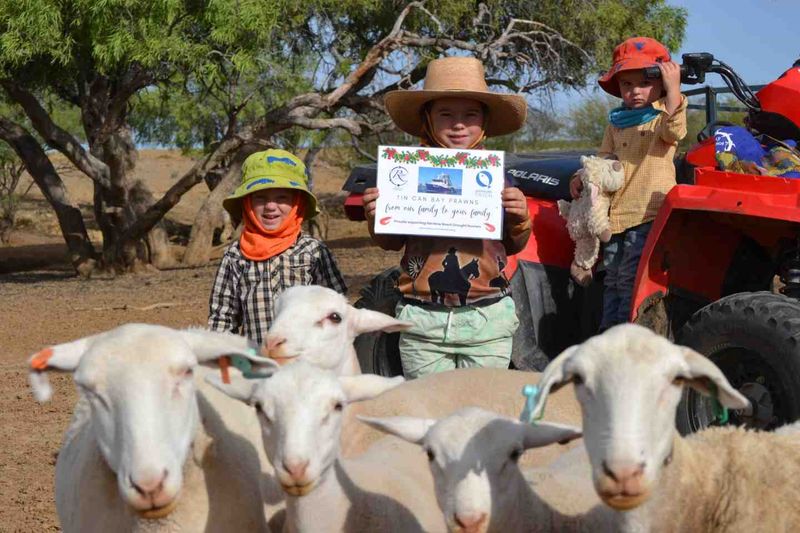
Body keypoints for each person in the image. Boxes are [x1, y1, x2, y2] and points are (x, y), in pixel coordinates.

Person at [362, 56, 532, 378]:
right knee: (429, 413)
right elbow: (389, 241)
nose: (458, 125)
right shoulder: (404, 173)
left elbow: (513, 244)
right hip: (421, 319)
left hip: (488, 318)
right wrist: (376, 215)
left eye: (470, 115)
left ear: (484, 123)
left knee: (482, 413)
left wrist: (520, 216)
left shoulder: (498, 178)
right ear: (427, 118)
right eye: (446, 114)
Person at [570, 37, 687, 330]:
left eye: (643, 83)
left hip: (647, 213)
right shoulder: (616, 122)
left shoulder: (661, 118)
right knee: (612, 278)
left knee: (630, 278)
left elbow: (676, 131)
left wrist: (675, 90)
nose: (634, 91)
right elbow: (603, 159)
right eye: (626, 85)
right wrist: (581, 176)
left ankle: (626, 335)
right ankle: (609, 334)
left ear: (660, 83)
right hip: (617, 216)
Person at [208, 149, 346, 344]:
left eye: (282, 198)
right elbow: (222, 318)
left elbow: (338, 307)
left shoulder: (313, 252)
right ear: (247, 203)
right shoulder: (235, 255)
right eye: (260, 197)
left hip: (307, 363)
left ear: (297, 203)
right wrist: (222, 359)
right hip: (257, 364)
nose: (270, 206)